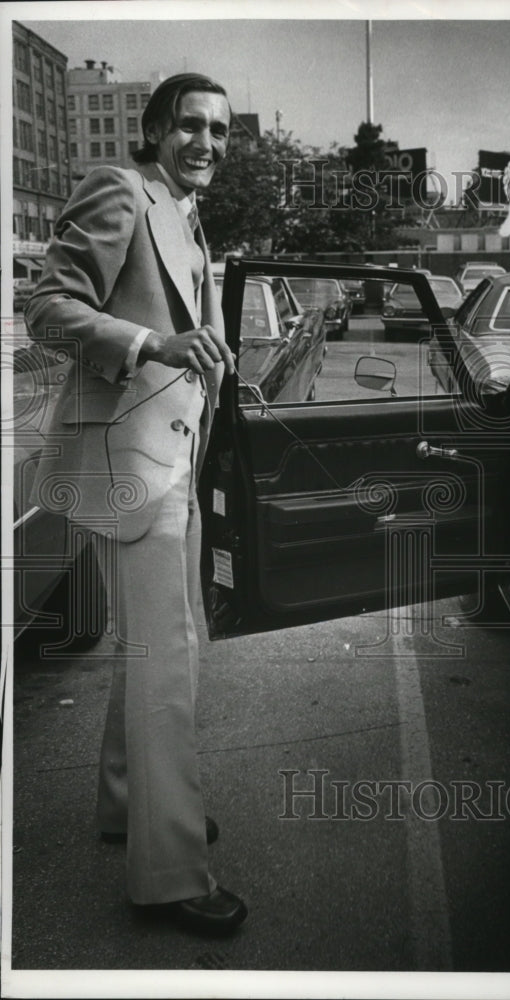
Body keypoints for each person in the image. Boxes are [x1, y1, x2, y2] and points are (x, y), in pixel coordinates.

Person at [24, 73, 247, 936]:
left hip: (176, 462)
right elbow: (48, 306)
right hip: (131, 464)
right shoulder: (122, 190)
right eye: (190, 126)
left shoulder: (188, 214)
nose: (207, 144)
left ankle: (129, 807)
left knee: (160, 653)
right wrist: (154, 342)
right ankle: (169, 871)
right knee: (167, 660)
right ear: (155, 131)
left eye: (220, 132)